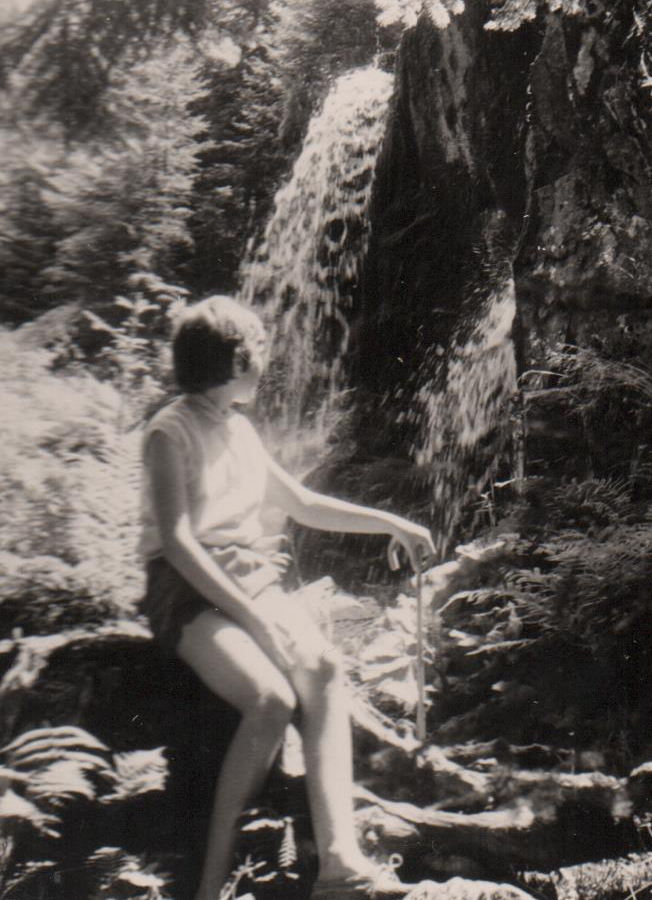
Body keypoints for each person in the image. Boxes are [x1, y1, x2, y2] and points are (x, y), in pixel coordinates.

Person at [136, 295, 435, 900]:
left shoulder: (238, 428)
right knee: (269, 699)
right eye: (258, 351)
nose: (265, 364)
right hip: (187, 590)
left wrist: (393, 524)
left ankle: (339, 862)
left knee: (323, 668)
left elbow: (301, 503)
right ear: (234, 360)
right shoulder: (169, 431)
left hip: (249, 579)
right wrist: (255, 618)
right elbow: (179, 544)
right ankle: (211, 885)